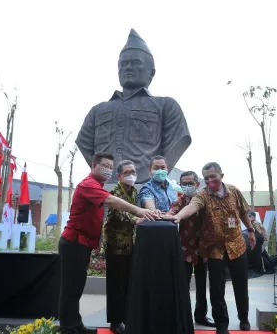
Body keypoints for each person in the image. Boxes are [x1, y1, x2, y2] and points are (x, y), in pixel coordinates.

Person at [75, 29, 192, 185]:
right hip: (104, 190)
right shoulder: (97, 110)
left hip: (147, 189)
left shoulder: (166, 106)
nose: (128, 67)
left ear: (151, 73)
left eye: (135, 63)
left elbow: (178, 141)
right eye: (123, 64)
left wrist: (153, 178)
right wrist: (103, 174)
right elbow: (84, 143)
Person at [58, 153, 158, 334]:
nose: (108, 169)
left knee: (77, 286)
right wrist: (139, 212)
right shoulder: (88, 185)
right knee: (70, 288)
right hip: (74, 242)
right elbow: (111, 202)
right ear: (94, 166)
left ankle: (75, 324)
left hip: (84, 243)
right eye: (105, 165)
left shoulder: (99, 185)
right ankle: (67, 327)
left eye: (110, 167)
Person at [169, 162, 256, 334]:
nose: (210, 181)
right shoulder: (202, 196)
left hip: (237, 245)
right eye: (207, 178)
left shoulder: (234, 191)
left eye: (213, 177)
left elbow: (243, 213)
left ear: (221, 176)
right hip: (214, 250)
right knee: (217, 291)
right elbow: (191, 207)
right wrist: (178, 216)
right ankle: (221, 326)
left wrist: (251, 230)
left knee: (241, 285)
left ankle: (244, 318)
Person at [167, 171, 215, 328]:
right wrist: (164, 216)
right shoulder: (180, 201)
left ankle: (201, 316)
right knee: (183, 285)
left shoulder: (205, 198)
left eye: (190, 183)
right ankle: (183, 317)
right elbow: (172, 212)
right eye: (184, 184)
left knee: (202, 285)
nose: (187, 186)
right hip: (185, 248)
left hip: (204, 249)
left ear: (197, 184)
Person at [102, 160, 144, 334]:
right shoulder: (114, 192)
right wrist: (136, 219)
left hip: (130, 244)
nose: (131, 175)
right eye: (127, 172)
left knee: (128, 283)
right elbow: (119, 213)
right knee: (116, 284)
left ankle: (126, 317)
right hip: (115, 244)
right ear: (119, 176)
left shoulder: (134, 191)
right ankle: (115, 321)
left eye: (133, 172)